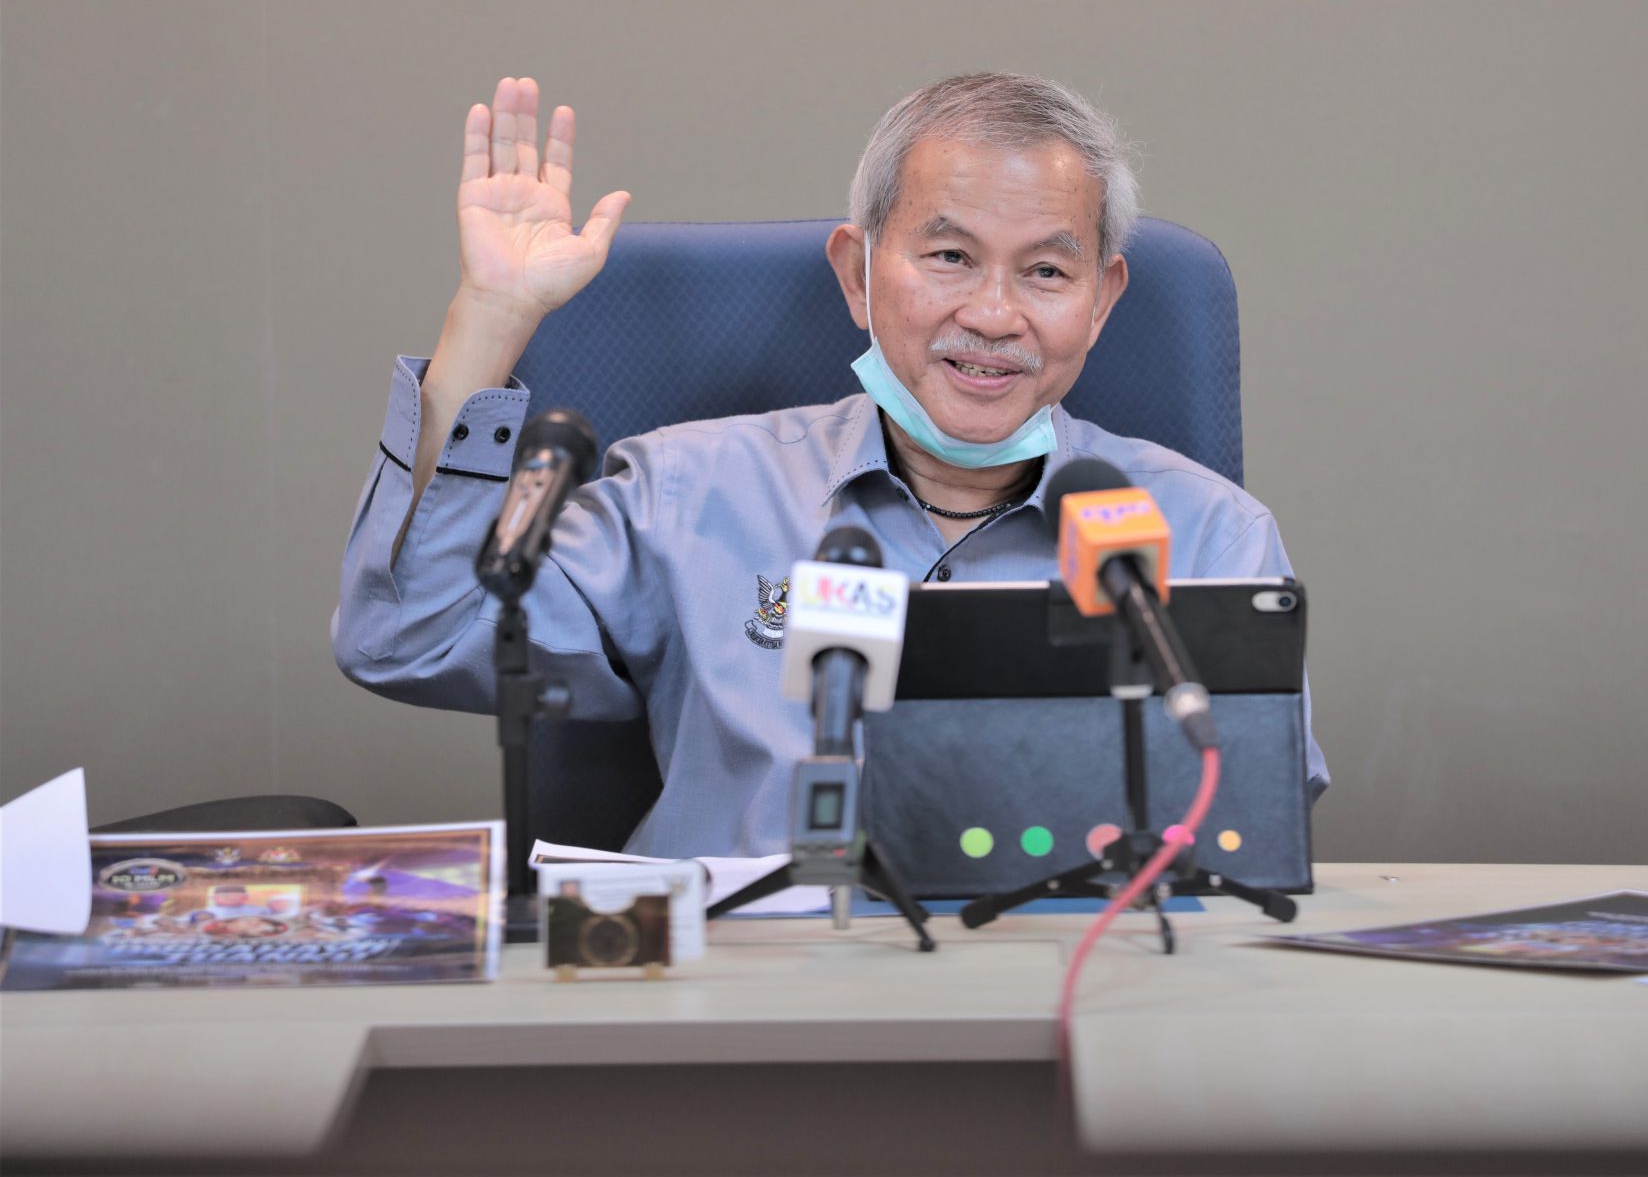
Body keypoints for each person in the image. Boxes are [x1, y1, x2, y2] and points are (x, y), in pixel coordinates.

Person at [333, 73, 1326, 858]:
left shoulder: (1206, 533)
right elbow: (407, 637)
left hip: (1069, 993)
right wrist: (490, 319)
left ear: (1101, 300)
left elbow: (1253, 825)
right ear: (857, 273)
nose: (993, 314)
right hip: (739, 1002)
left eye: (1046, 271)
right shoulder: (689, 494)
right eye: (949, 257)